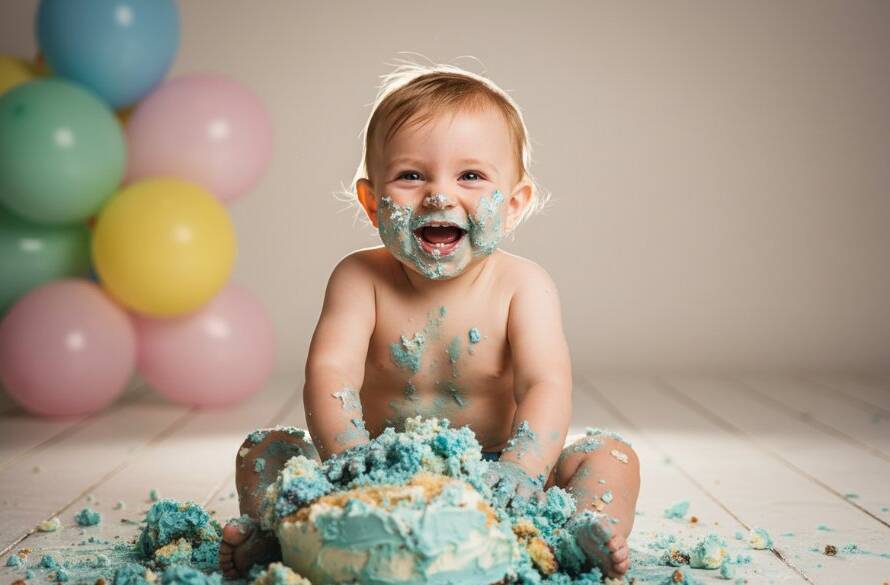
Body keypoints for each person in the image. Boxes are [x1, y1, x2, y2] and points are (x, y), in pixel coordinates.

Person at [219, 61, 640, 580]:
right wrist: (350, 458)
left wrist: (524, 470)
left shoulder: (524, 286)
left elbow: (545, 384)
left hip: (495, 478)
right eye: (411, 176)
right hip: (376, 473)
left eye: (470, 176)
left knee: (610, 455)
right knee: (265, 449)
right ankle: (276, 532)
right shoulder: (359, 278)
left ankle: (577, 532)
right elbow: (331, 373)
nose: (439, 195)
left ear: (513, 205)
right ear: (372, 202)